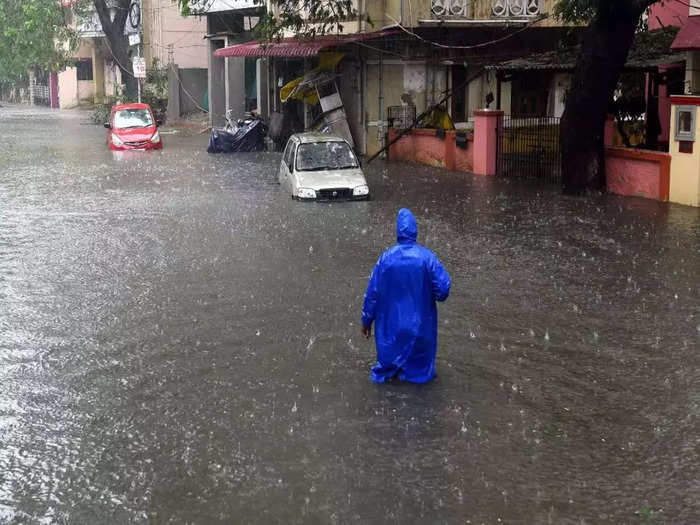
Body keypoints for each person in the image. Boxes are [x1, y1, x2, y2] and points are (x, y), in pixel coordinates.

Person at [361, 208, 451, 384]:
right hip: (421, 327)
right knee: (420, 378)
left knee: (387, 375)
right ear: (415, 230)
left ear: (398, 231)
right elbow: (443, 290)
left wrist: (366, 321)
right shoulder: (427, 258)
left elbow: (372, 294)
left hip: (391, 330)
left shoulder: (385, 259)